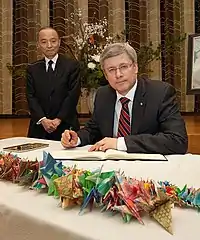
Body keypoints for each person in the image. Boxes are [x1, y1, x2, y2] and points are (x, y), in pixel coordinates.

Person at [61, 42, 188, 154]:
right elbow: (93, 129)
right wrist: (77, 138)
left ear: (135, 67)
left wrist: (120, 144)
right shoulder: (103, 94)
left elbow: (177, 140)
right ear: (105, 75)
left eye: (123, 67)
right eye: (111, 70)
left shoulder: (160, 93)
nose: (118, 74)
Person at [26, 26, 81, 141]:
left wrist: (58, 119)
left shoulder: (72, 66)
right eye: (44, 42)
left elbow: (72, 95)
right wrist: (43, 120)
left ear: (59, 42)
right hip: (39, 128)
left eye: (53, 41)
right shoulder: (32, 68)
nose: (49, 45)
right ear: (39, 45)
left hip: (65, 125)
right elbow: (31, 97)